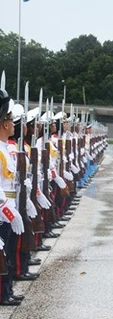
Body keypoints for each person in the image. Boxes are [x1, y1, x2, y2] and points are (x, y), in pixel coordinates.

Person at [0, 89, 26, 305]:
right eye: (11, 120)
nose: (14, 124)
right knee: (4, 255)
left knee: (8, 253)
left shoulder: (6, 149)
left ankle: (6, 291)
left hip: (10, 204)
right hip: (3, 209)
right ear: (4, 124)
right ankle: (2, 293)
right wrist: (7, 210)